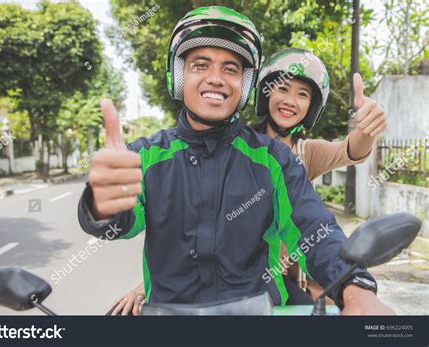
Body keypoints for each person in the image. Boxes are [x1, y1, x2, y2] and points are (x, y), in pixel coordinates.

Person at [78, 6, 393, 316]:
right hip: (167, 313)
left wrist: (355, 285)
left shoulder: (275, 160)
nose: (216, 78)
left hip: (259, 313)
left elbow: (314, 228)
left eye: (230, 69)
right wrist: (103, 205)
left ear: (244, 85)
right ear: (178, 75)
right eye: (200, 65)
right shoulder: (145, 155)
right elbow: (123, 221)